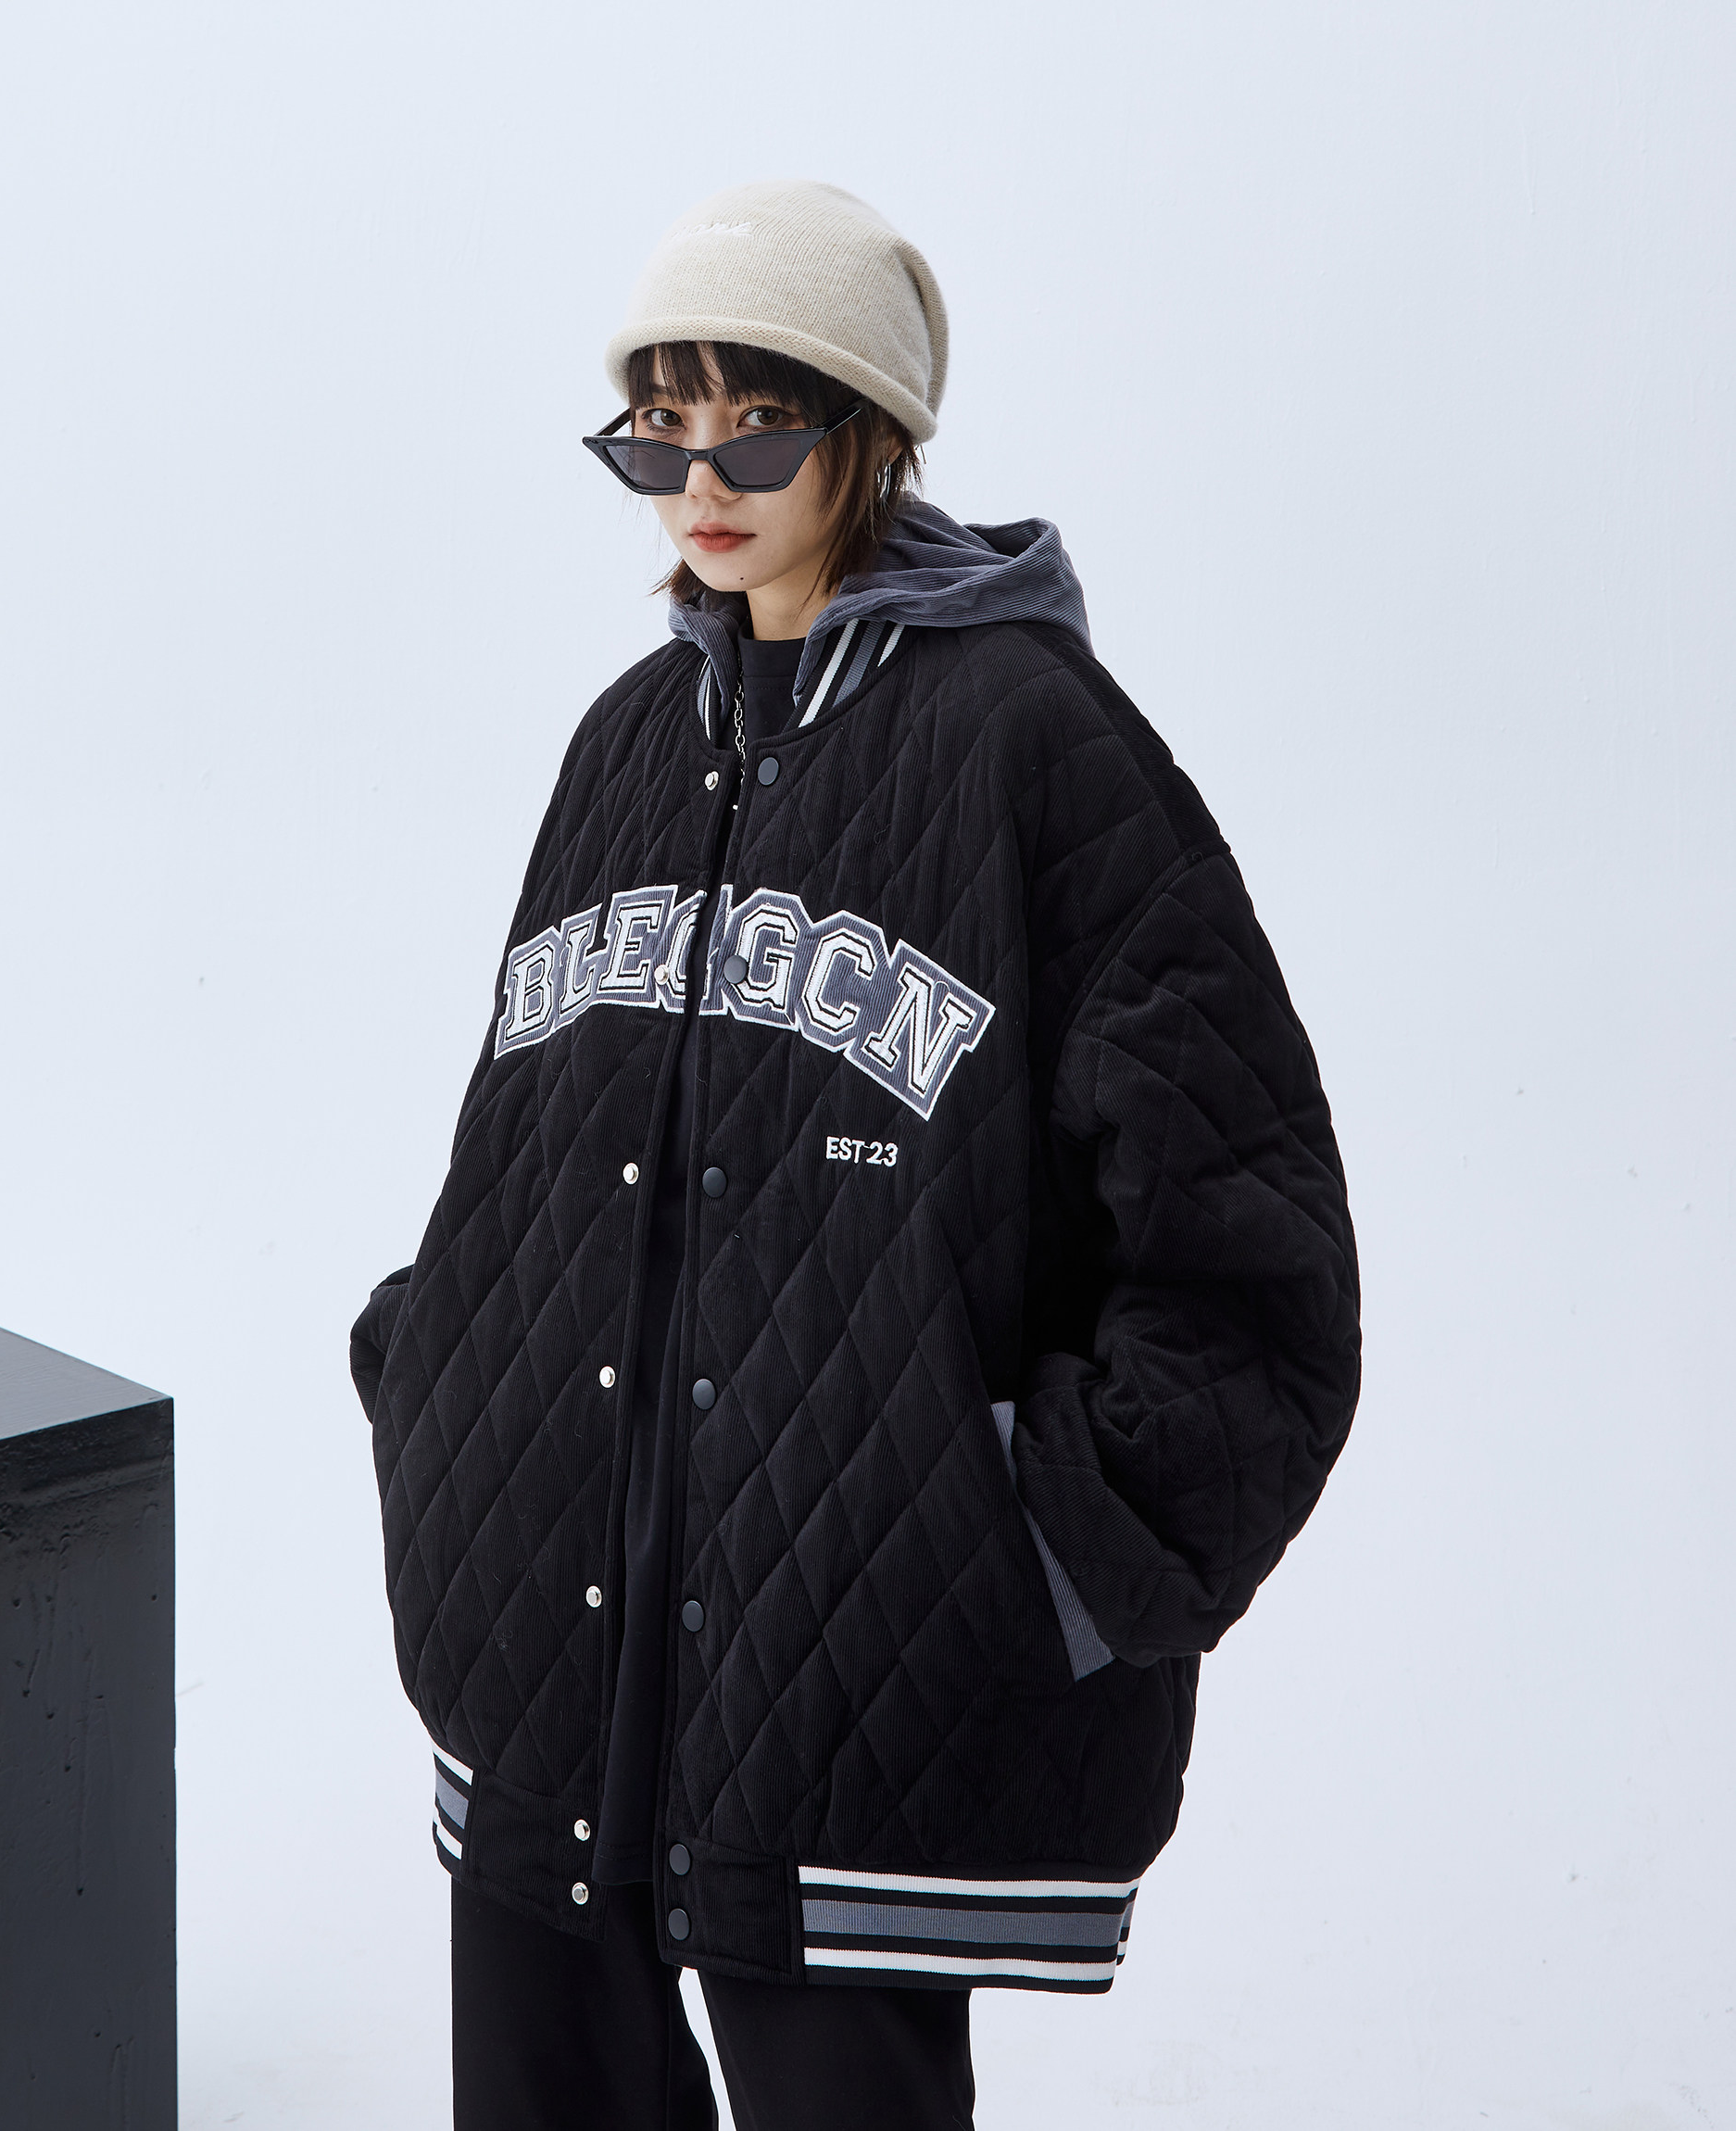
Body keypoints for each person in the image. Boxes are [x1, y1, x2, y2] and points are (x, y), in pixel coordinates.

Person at [349, 179, 1361, 2131]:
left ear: (870, 430)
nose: (699, 480)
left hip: (858, 1676)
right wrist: (435, 1393)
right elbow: (515, 1153)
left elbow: (1251, 1253)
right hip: (547, 1657)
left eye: (757, 426)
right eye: (659, 425)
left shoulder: (1037, 749)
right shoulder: (626, 741)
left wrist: (1038, 1550)